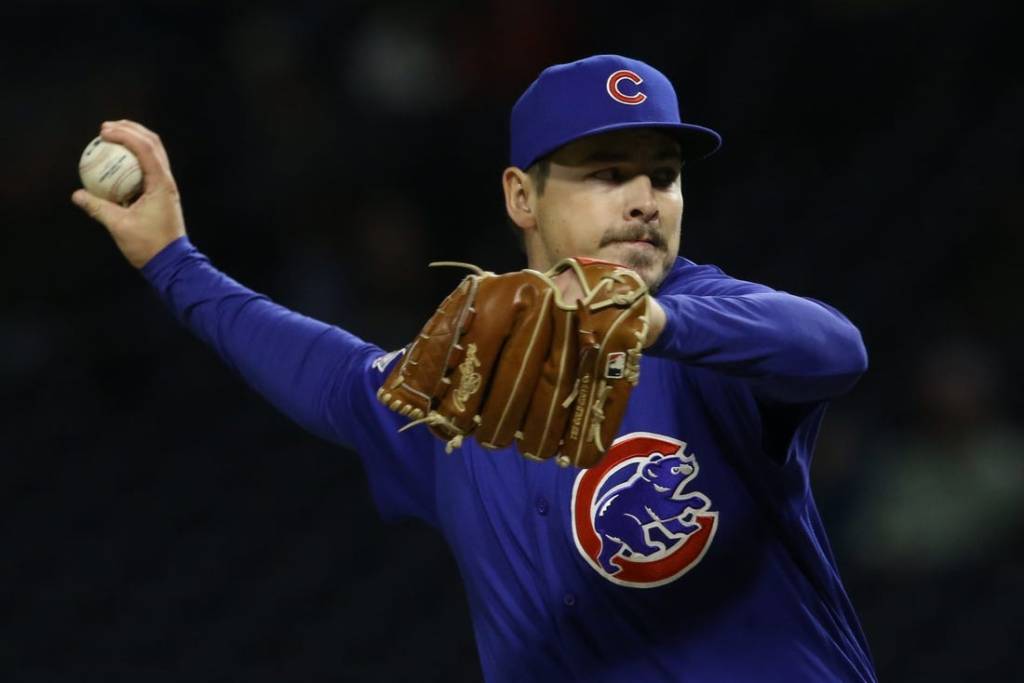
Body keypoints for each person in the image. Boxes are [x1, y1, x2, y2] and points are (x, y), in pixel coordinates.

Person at [72, 54, 876, 682]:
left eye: (662, 174)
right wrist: (173, 262)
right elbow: (332, 377)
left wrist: (655, 322)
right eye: (605, 170)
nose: (644, 198)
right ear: (522, 198)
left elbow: (833, 346)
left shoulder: (710, 331)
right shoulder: (470, 376)